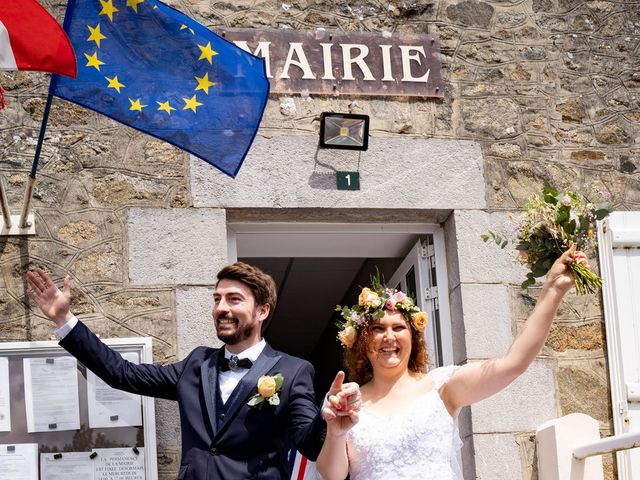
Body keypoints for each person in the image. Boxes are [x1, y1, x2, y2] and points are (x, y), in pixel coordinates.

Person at [27, 262, 360, 480]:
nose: (221, 308)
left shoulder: (293, 370)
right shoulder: (196, 364)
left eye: (233, 299)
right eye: (217, 299)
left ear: (262, 310)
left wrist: (328, 421)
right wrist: (63, 320)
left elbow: (309, 446)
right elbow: (122, 374)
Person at [316, 246, 586, 480]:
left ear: (413, 338)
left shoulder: (441, 387)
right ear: (363, 341)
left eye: (399, 327)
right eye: (377, 328)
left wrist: (552, 290)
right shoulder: (348, 403)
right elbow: (333, 474)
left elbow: (511, 364)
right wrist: (336, 432)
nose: (388, 337)